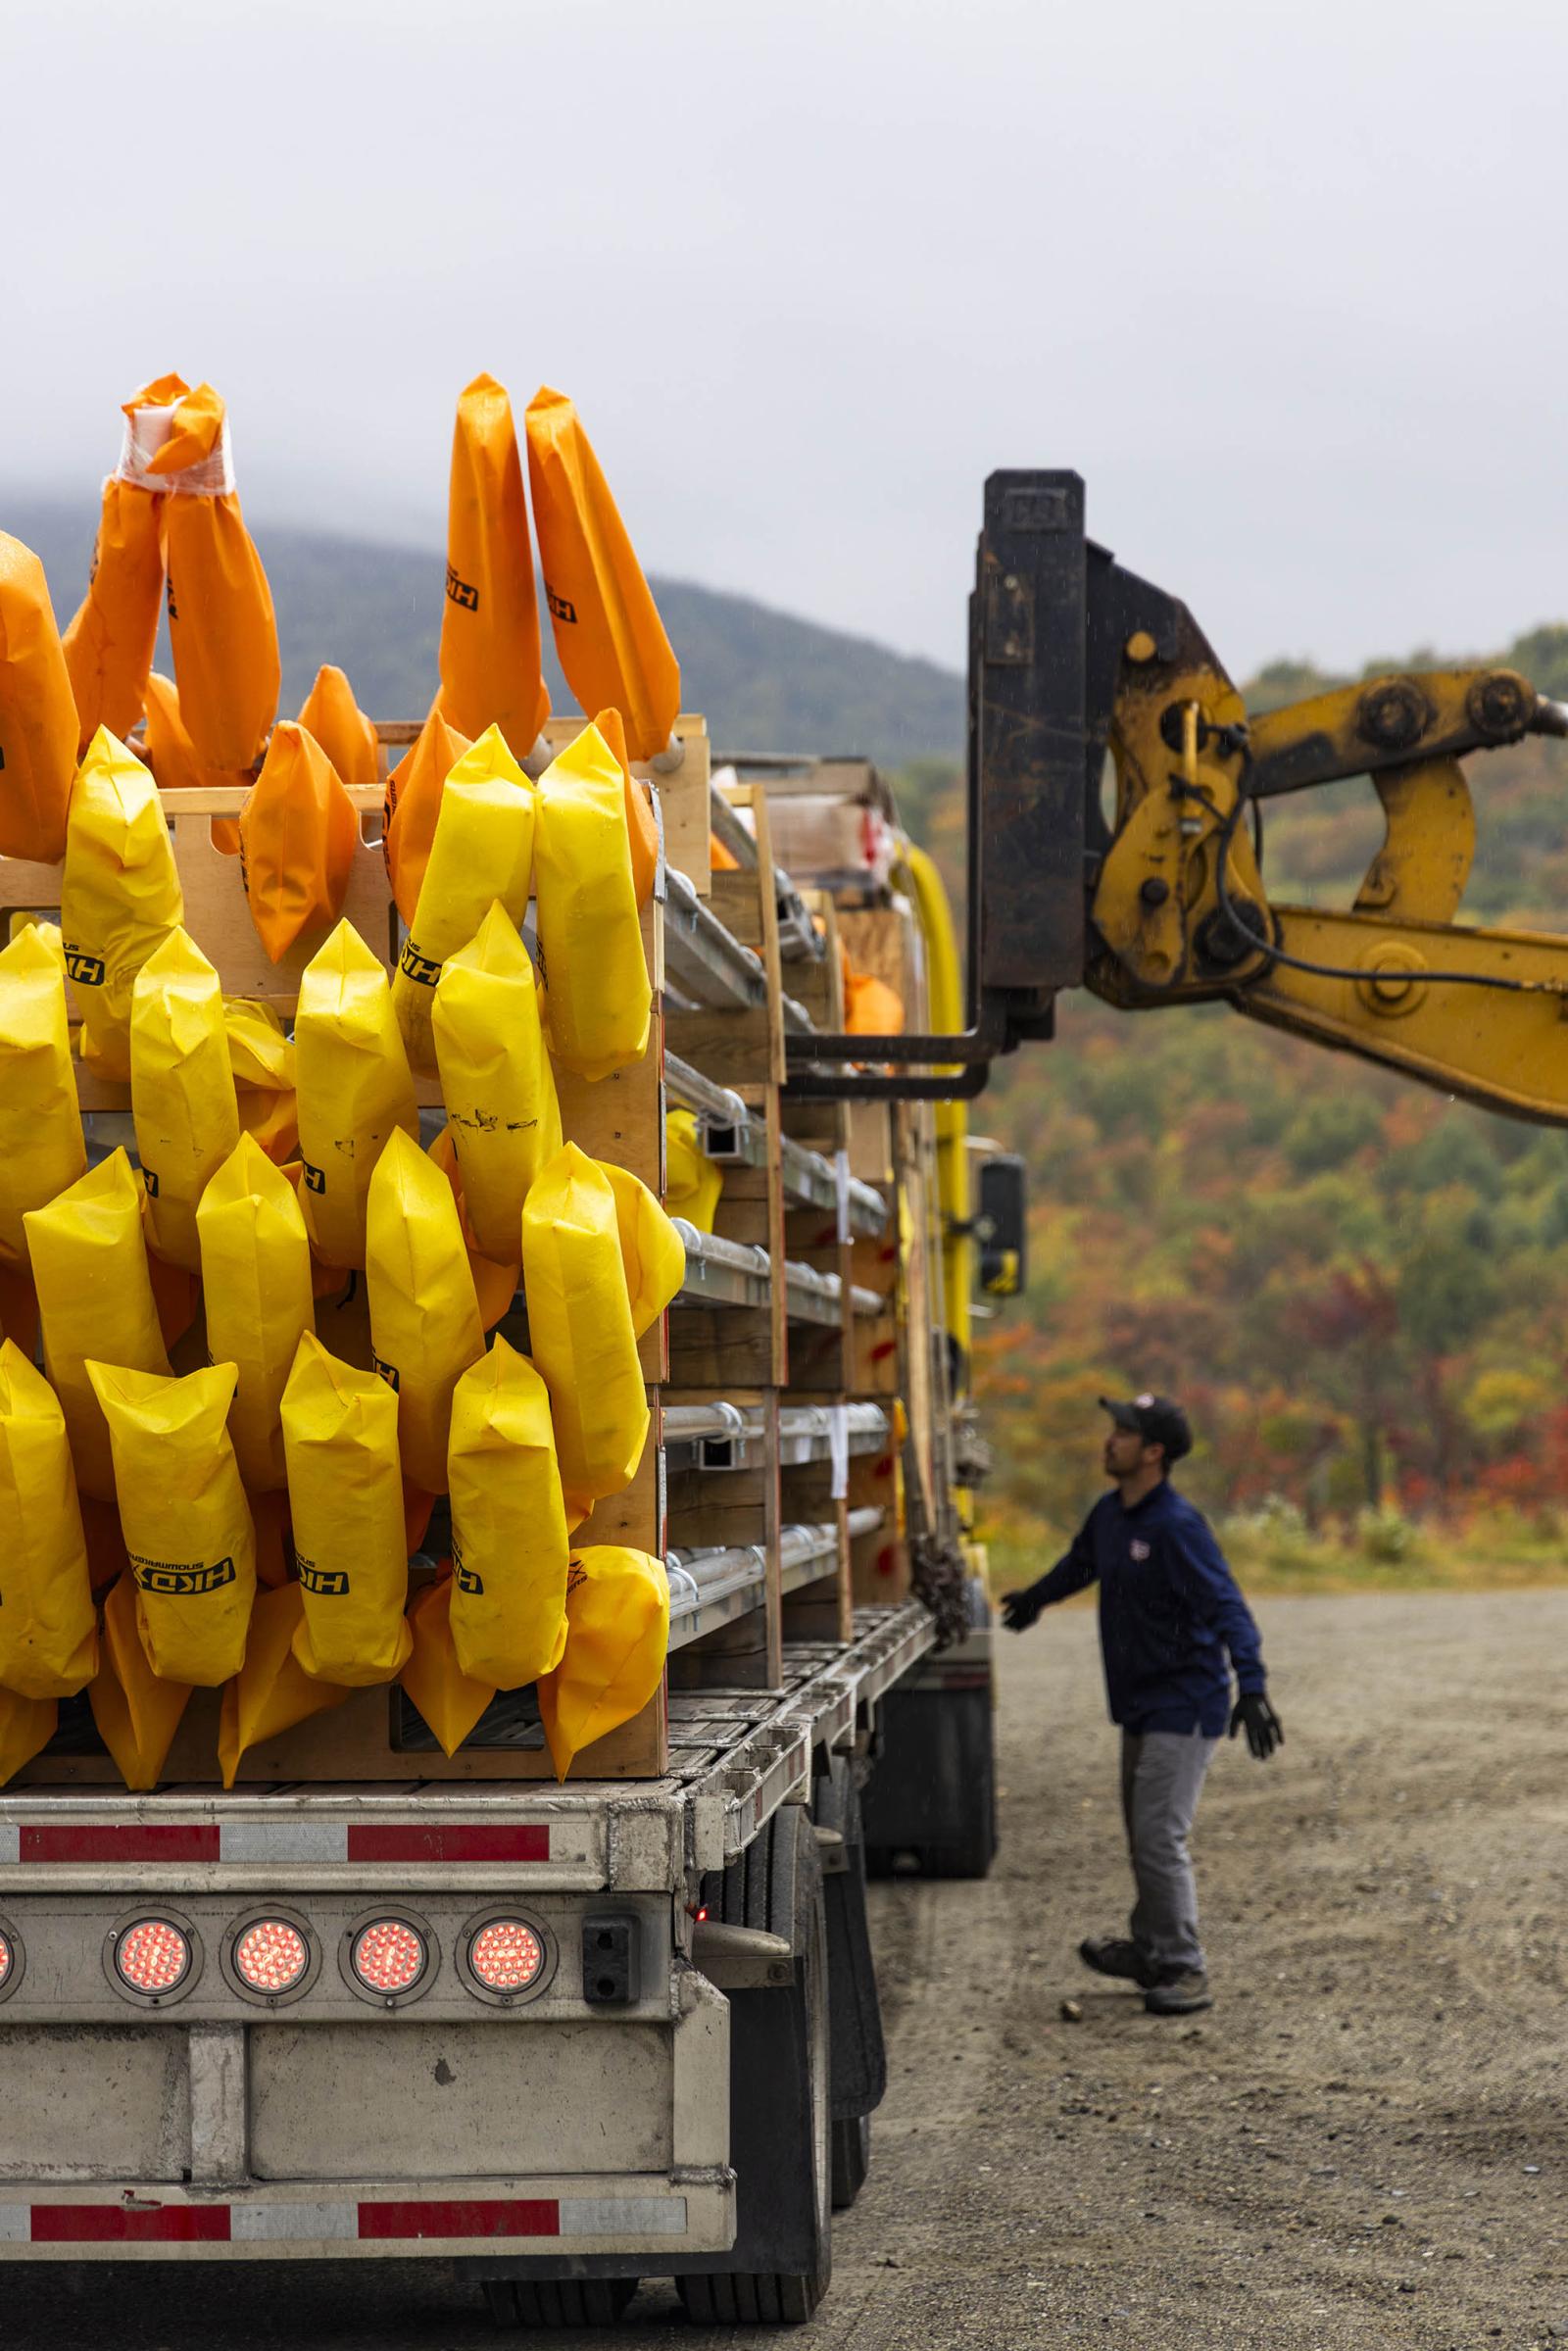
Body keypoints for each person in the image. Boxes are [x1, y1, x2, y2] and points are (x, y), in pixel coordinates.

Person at [1001, 1394, 1282, 2017]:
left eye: (1122, 1434)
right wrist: (1038, 1599)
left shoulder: (1177, 1527)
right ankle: (1153, 1949)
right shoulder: (1112, 1515)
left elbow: (1228, 1605)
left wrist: (1253, 1686)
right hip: (1141, 1704)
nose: (1109, 1441)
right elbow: (1081, 1564)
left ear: (1153, 1452)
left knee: (1159, 1837)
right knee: (1143, 1835)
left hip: (1186, 1703)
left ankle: (1185, 1967)